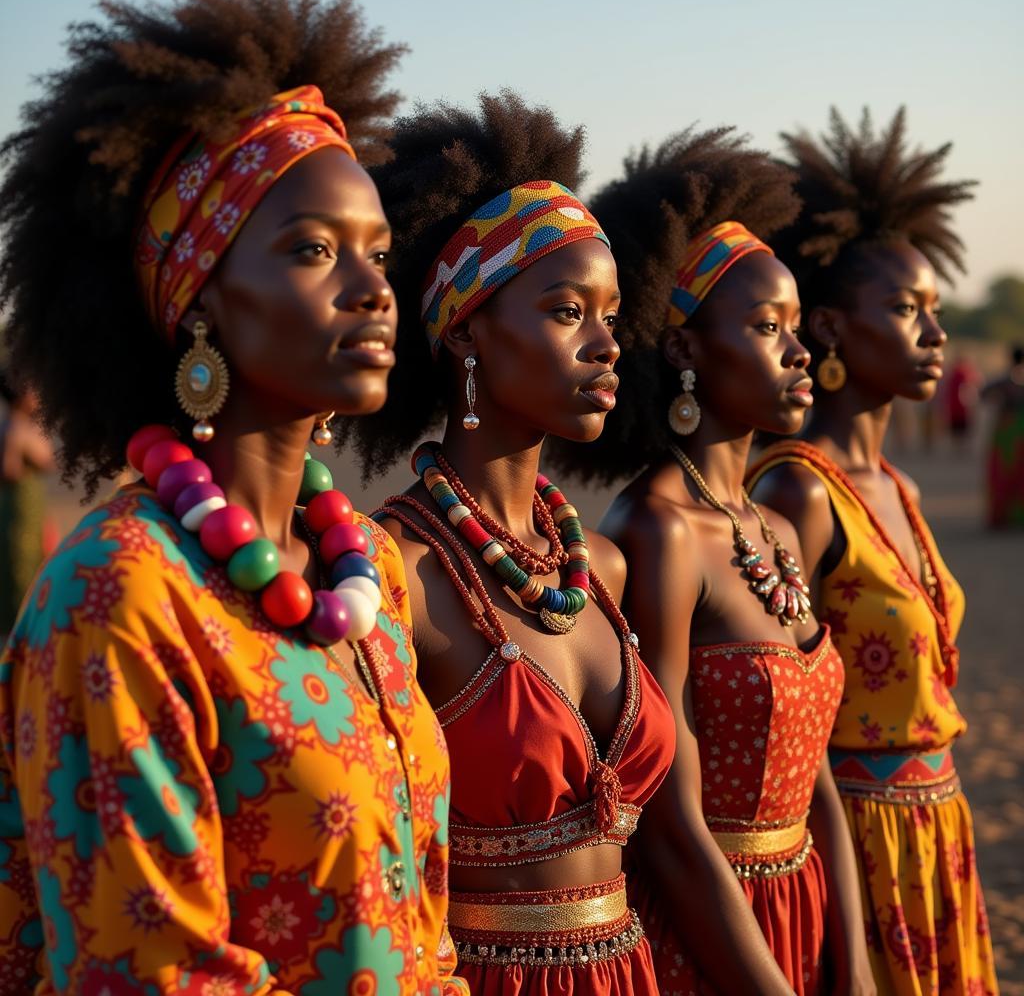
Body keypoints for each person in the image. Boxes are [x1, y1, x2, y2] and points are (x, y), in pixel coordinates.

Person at [0, 0, 466, 993]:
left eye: (379, 253)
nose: (374, 286)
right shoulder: (118, 597)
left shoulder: (371, 574)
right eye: (312, 249)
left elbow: (425, 928)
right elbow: (149, 971)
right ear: (198, 298)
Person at [344, 93, 675, 995]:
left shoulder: (600, 567)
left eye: (612, 314)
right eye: (569, 311)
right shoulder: (393, 571)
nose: (608, 345)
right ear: (466, 331)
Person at [547, 128, 873, 996]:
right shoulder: (656, 532)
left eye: (798, 327)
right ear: (686, 351)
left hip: (807, 909)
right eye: (768, 328)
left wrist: (857, 959)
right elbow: (667, 819)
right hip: (713, 937)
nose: (801, 353)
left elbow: (822, 781)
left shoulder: (775, 525)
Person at [747, 108, 998, 996]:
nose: (932, 334)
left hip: (940, 826)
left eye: (935, 310)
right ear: (833, 328)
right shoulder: (795, 492)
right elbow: (786, 710)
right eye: (903, 309)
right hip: (856, 839)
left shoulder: (904, 486)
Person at [0, 373, 56, 638]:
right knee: (21, 563)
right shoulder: (17, 426)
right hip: (20, 506)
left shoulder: (12, 425)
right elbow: (13, 468)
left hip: (26, 506)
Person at [980, 344, 1024, 527]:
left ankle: (1001, 515)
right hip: (1019, 432)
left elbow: (983, 393)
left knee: (1003, 473)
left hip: (1005, 431)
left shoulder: (1004, 380)